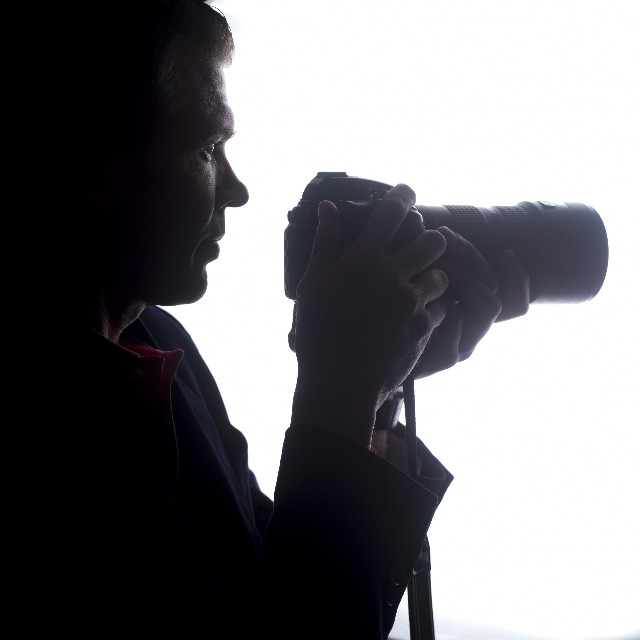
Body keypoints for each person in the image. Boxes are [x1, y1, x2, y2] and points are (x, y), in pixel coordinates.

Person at [16, 1, 529, 637]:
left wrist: (376, 391)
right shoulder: (31, 433)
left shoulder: (157, 344)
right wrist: (342, 390)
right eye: (209, 147)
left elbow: (278, 572)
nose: (236, 189)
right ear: (97, 171)